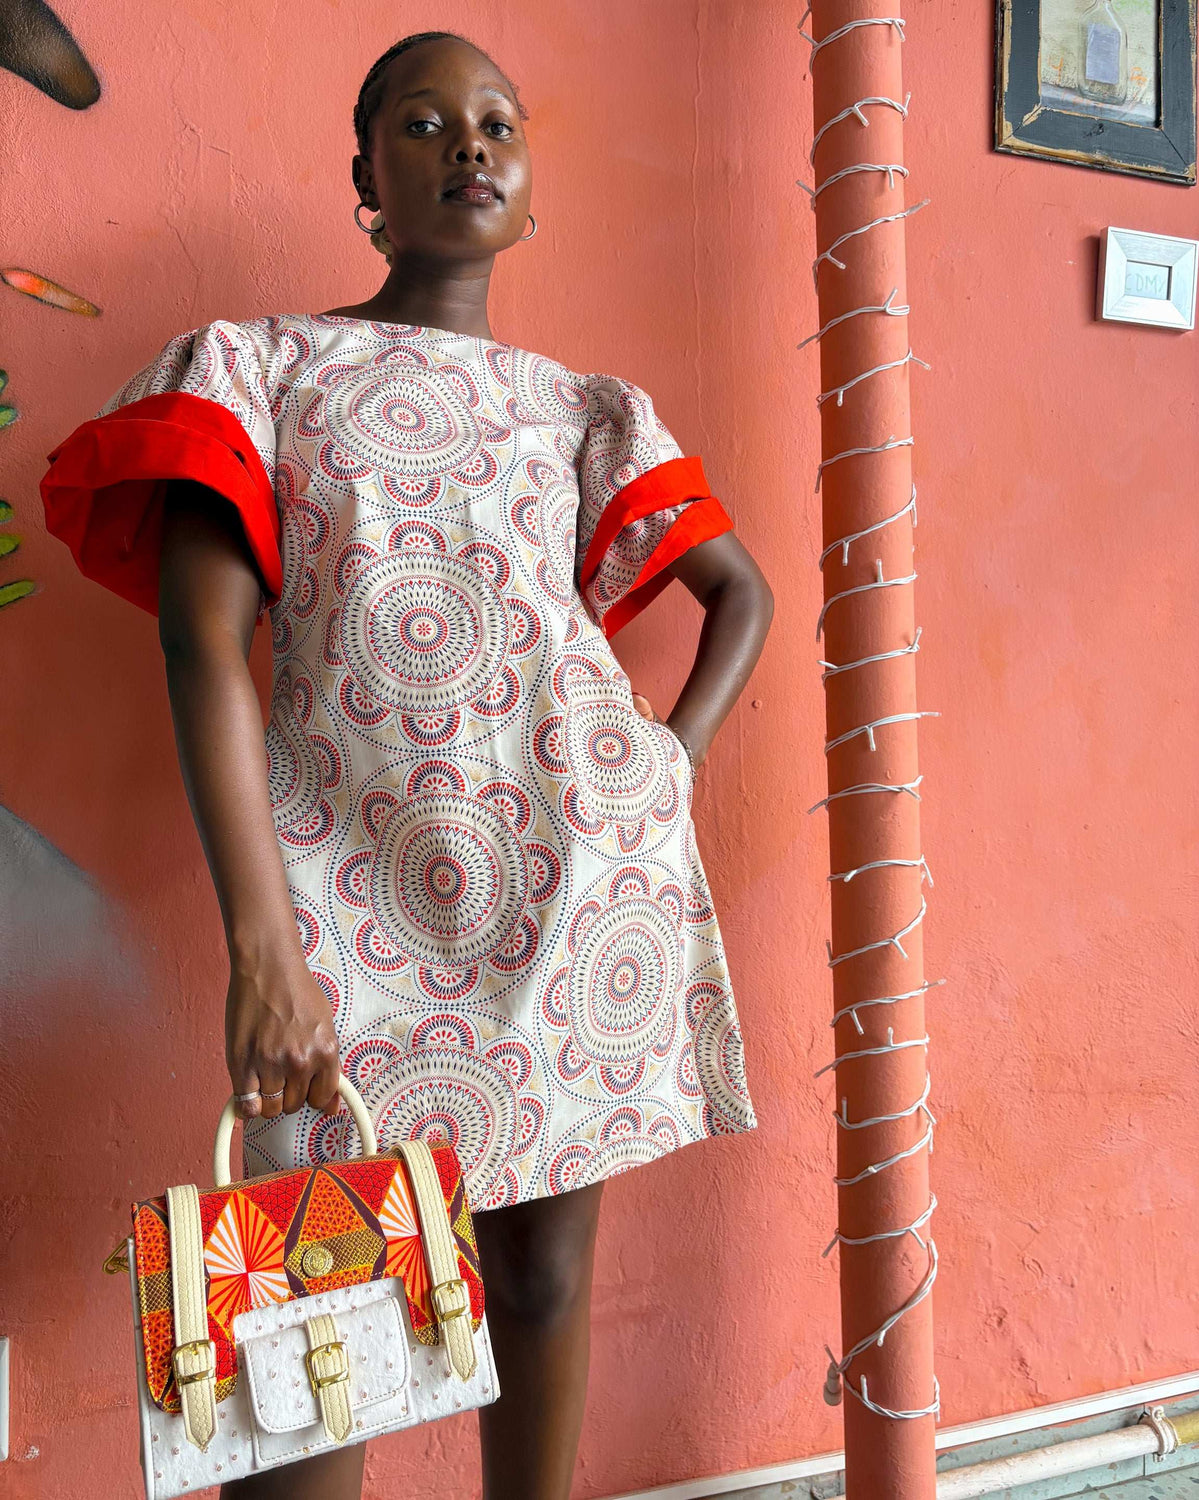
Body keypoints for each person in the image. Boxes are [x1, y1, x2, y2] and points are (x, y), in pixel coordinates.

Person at [40, 29, 774, 1500]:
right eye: (427, 123)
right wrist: (262, 942)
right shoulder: (258, 367)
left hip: (575, 898)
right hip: (341, 902)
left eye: (498, 122)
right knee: (323, 1299)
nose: (471, 145)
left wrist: (663, 768)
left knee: (544, 1275)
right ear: (366, 180)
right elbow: (202, 649)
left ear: (529, 189)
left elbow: (740, 595)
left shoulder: (582, 408)